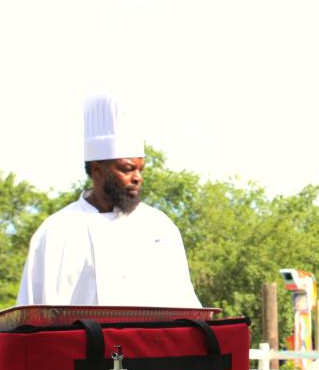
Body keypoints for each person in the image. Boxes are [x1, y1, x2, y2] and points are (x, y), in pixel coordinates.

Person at [17, 94, 201, 308]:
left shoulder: (159, 228)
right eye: (127, 169)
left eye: (141, 170)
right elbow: (30, 317)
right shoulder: (55, 231)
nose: (137, 178)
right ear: (97, 169)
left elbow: (185, 309)